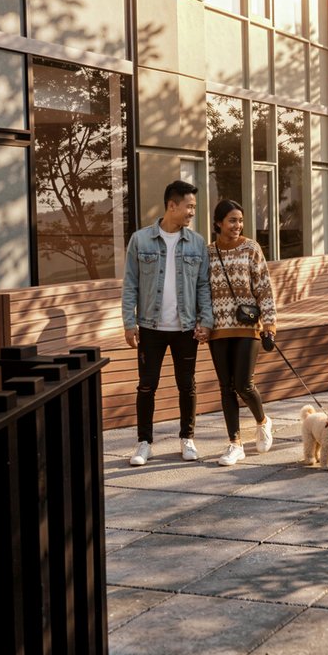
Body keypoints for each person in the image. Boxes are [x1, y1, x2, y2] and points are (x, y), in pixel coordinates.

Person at [121, 180, 214, 465]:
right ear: (172, 205)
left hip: (186, 329)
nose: (192, 212)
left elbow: (203, 286)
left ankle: (187, 438)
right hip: (150, 328)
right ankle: (144, 442)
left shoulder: (197, 242)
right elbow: (130, 284)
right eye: (189, 206)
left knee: (187, 385)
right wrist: (129, 322)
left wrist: (206, 320)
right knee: (146, 385)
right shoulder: (140, 240)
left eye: (193, 207)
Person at [207, 199, 278, 466]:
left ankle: (263, 421)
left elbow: (264, 288)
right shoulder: (208, 253)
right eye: (232, 220)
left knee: (244, 385)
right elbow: (203, 291)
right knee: (226, 387)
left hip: (248, 327)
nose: (238, 225)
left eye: (240, 220)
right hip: (218, 330)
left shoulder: (251, 248)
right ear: (218, 223)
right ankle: (235, 444)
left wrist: (269, 324)